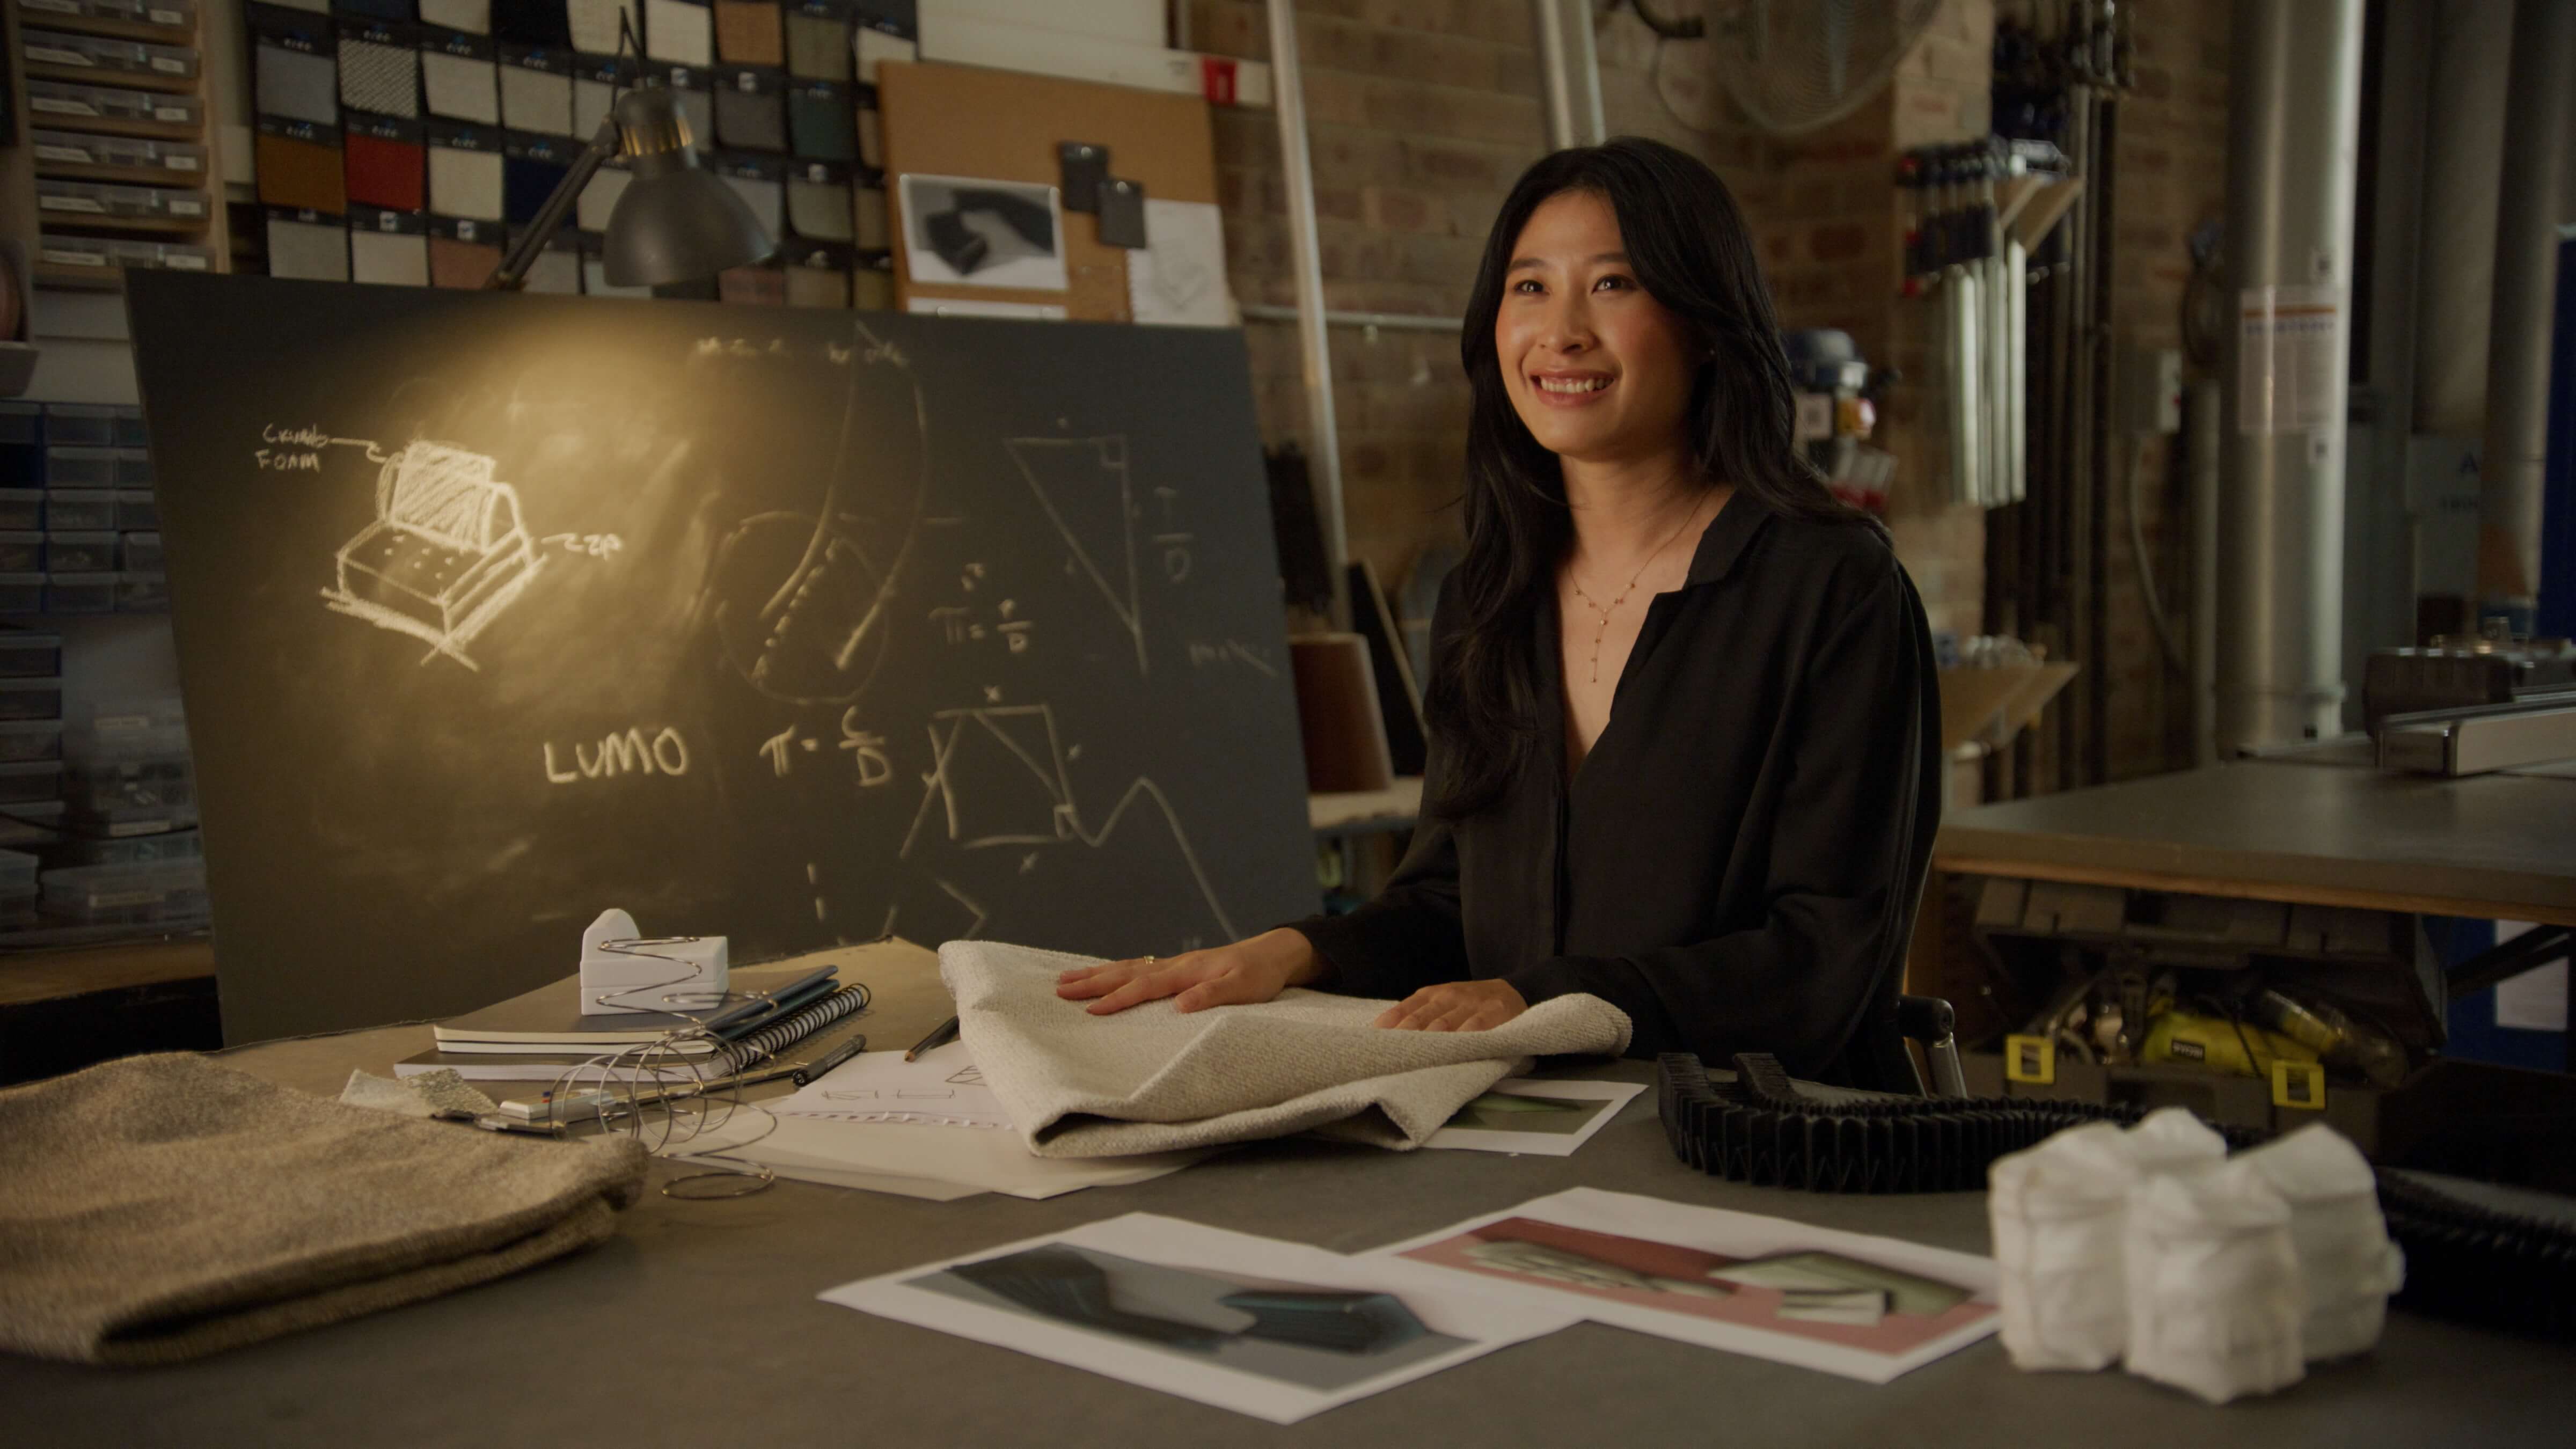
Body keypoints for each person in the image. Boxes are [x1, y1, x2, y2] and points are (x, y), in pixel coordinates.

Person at [1059, 137, 1941, 1088]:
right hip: (1531, 1135)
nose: (1560, 332)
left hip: (1769, 1146)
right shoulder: (1491, 595)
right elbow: (1452, 902)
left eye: (1612, 285)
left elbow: (1825, 958)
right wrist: (1289, 954)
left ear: (1707, 320)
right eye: (1530, 288)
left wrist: (1545, 1001)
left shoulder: (1831, 588)